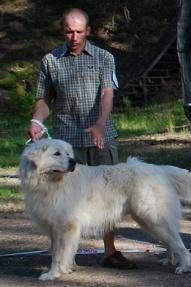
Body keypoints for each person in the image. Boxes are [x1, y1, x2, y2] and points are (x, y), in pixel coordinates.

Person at [26, 8, 134, 269]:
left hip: (101, 137)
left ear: (87, 31)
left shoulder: (104, 57)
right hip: (66, 143)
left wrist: (99, 123)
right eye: (68, 31)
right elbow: (44, 101)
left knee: (106, 194)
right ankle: (64, 257)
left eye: (78, 31)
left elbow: (108, 94)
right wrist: (37, 121)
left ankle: (110, 251)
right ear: (63, 31)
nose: (73, 36)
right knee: (60, 200)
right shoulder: (50, 60)